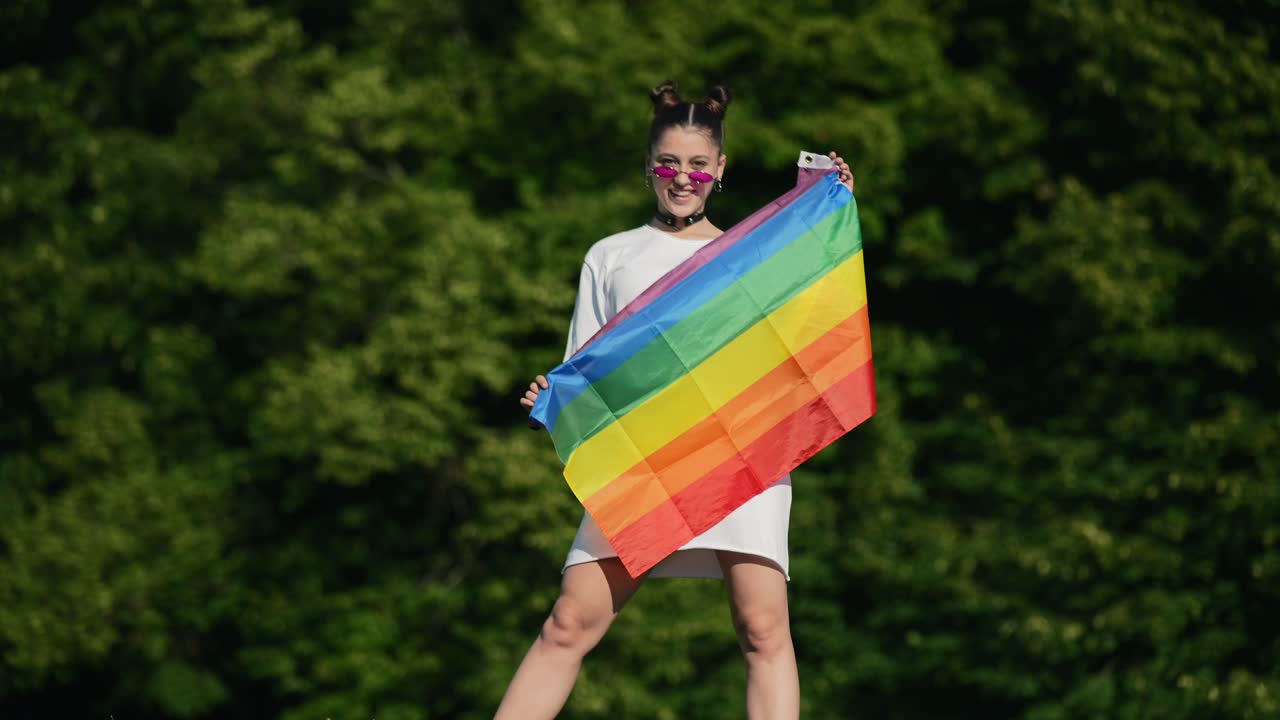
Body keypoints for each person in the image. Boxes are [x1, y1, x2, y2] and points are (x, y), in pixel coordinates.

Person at [497, 80, 855, 720]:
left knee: (763, 629)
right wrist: (551, 393)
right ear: (648, 167)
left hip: (742, 454)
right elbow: (587, 368)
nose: (681, 176)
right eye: (668, 162)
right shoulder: (609, 255)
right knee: (568, 623)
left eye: (697, 164)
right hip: (646, 459)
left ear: (720, 169)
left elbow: (806, 316)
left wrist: (830, 207)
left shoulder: (753, 253)